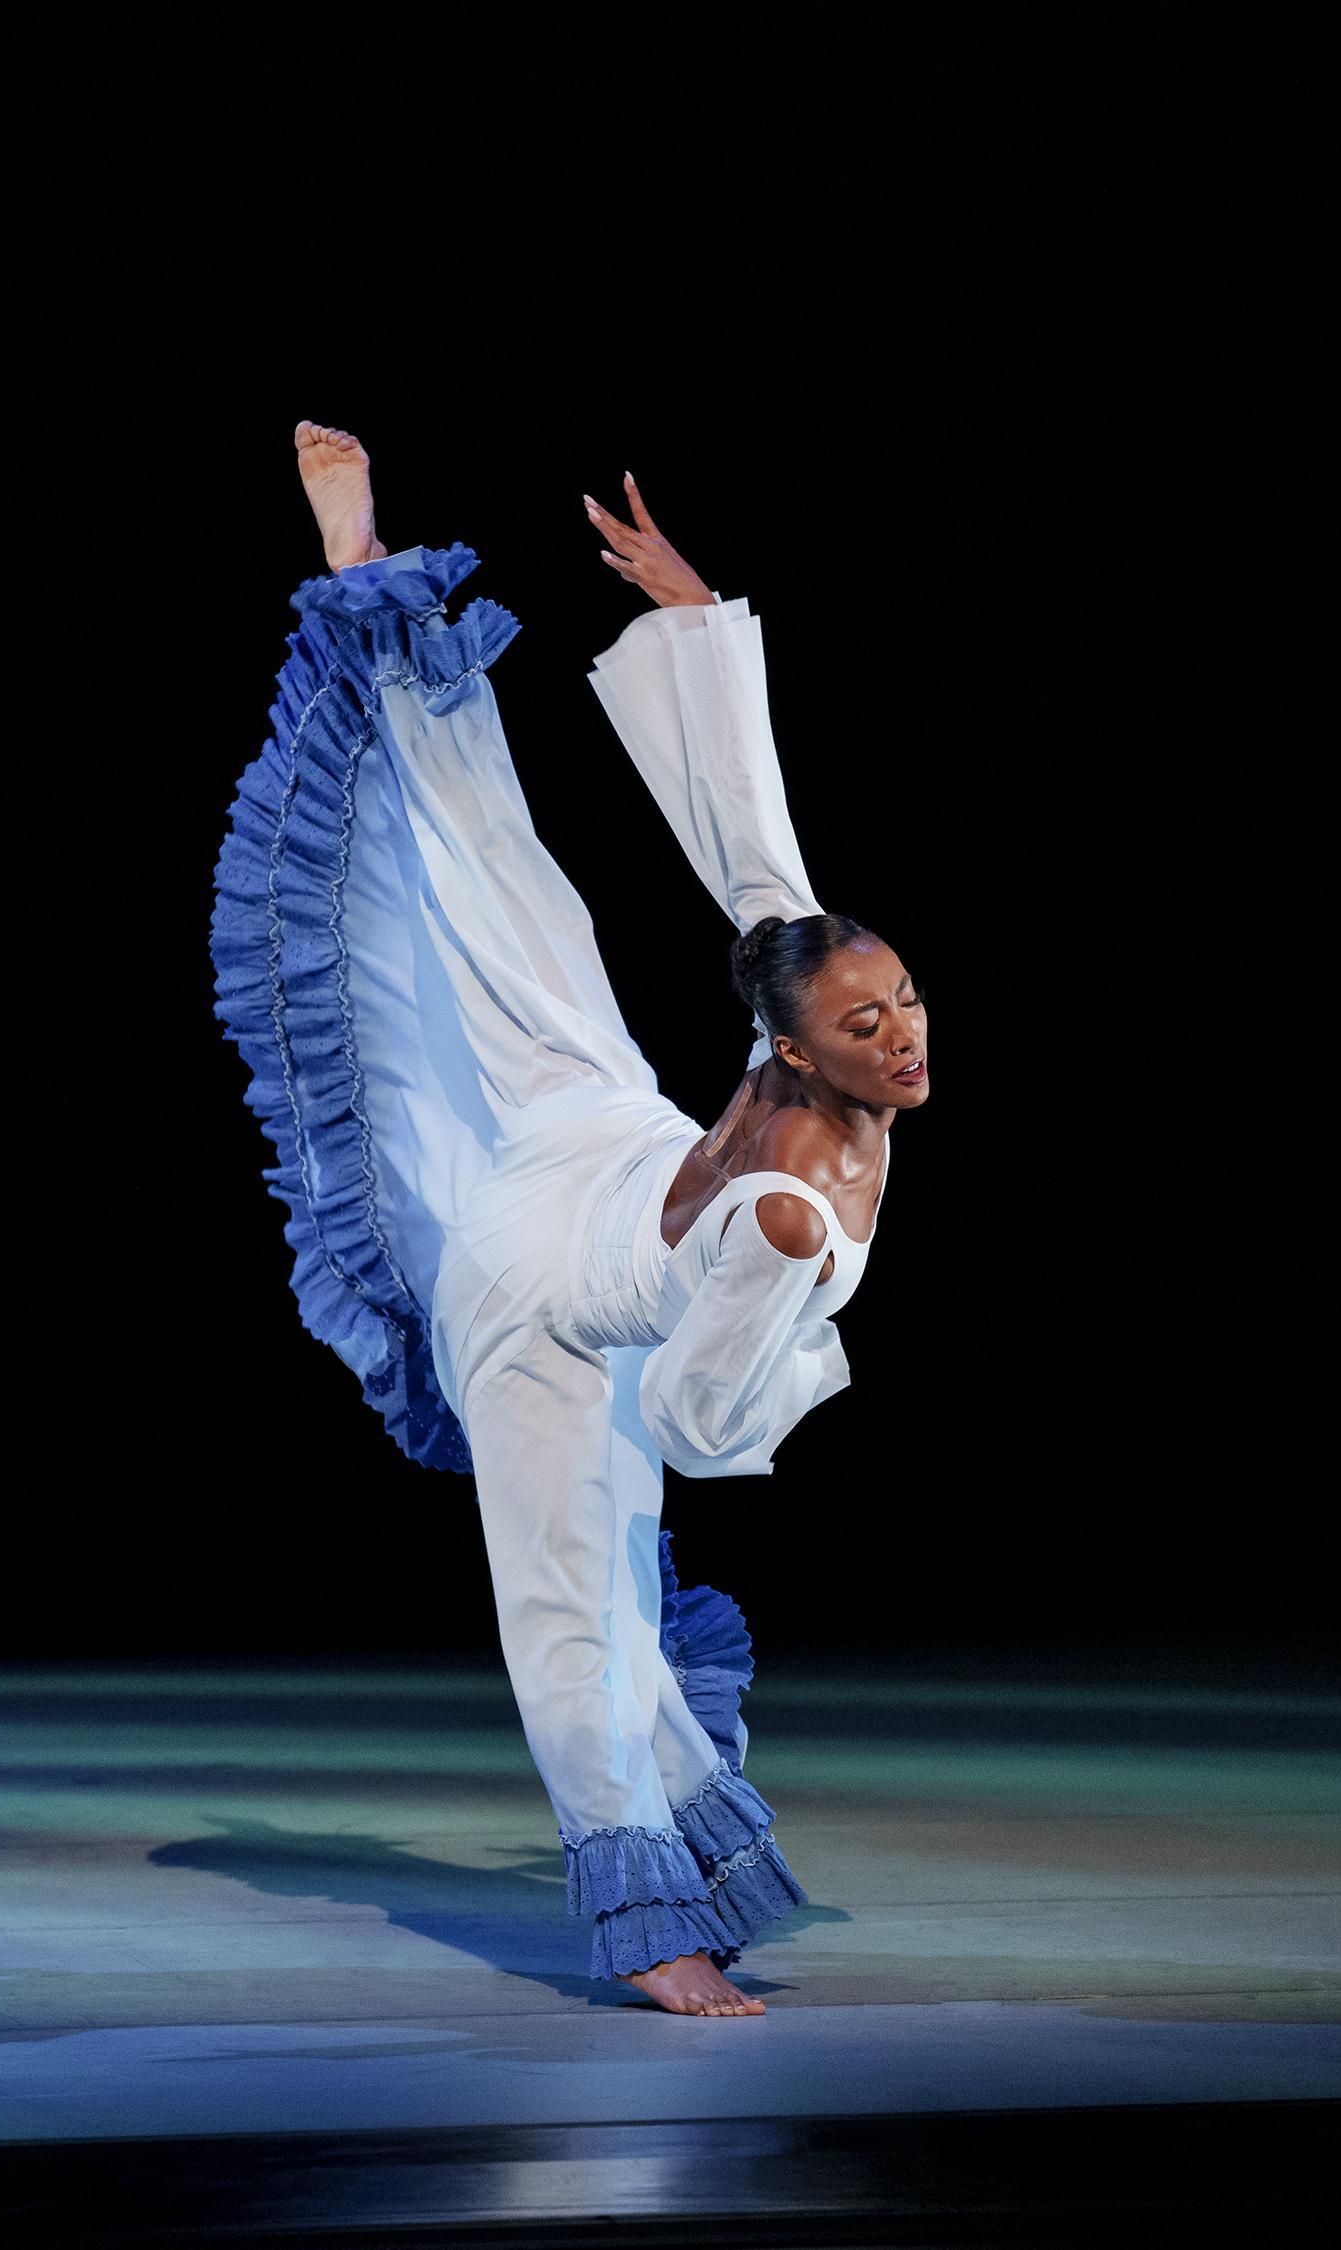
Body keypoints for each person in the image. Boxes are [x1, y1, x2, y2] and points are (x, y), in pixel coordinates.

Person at [209, 426, 929, 2017]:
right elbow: (686, 1408)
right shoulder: (797, 1188)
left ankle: (356, 558)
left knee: (500, 871)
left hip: (600, 1169)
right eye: (870, 1017)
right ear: (793, 1044)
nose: (904, 1034)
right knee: (577, 1599)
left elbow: (770, 880)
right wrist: (808, 1344)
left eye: (909, 1003)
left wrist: (693, 629)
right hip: (540, 1270)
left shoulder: (791, 1081)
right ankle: (645, 1916)